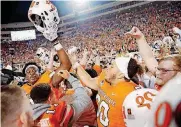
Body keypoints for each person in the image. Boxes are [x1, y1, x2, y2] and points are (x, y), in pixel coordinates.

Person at [72, 56, 140, 127]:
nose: (107, 68)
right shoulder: (105, 78)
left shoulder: (131, 94)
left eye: (112, 67)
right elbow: (89, 80)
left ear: (121, 75)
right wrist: (76, 64)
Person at [30, 70, 96, 127]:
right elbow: (83, 98)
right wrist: (70, 78)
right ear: (50, 99)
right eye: (54, 94)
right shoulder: (58, 112)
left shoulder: (27, 115)